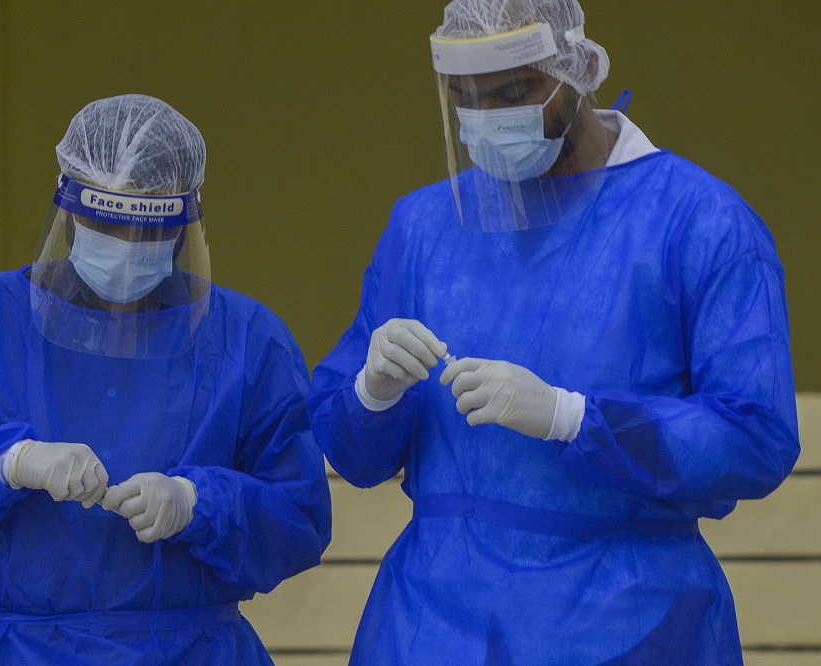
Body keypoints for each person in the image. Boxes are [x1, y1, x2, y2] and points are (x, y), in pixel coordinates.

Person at [307, 1, 800, 663]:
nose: (489, 118)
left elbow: (755, 437)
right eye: (467, 99)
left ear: (582, 68)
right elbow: (354, 457)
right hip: (429, 628)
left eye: (514, 92)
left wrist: (575, 418)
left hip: (628, 626)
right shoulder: (425, 227)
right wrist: (371, 394)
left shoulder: (699, 222)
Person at [0, 94, 332, 665]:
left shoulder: (246, 339)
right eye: (106, 222)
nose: (127, 249)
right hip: (11, 651)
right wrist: (6, 462)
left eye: (150, 230)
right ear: (69, 205)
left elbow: (298, 517)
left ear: (186, 222)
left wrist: (199, 504)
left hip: (191, 649)